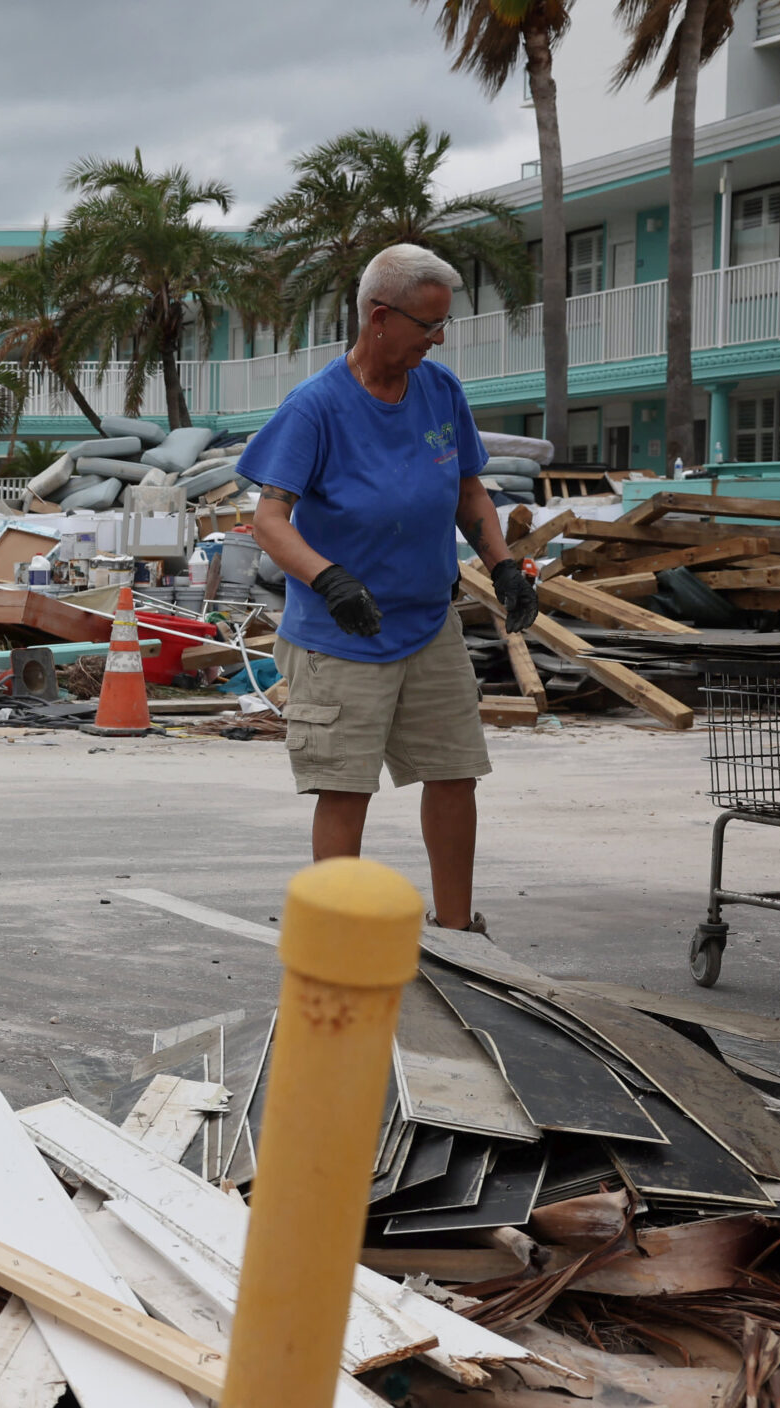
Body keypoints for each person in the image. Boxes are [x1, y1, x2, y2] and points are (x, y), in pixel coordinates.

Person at [239, 244, 540, 933]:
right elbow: (268, 518)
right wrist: (329, 579)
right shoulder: (316, 407)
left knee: (455, 773)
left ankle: (458, 929)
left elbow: (469, 490)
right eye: (427, 325)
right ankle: (336, 938)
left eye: (442, 327)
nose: (437, 340)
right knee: (346, 789)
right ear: (380, 318)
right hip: (342, 634)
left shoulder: (440, 391)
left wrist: (501, 565)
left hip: (428, 623)